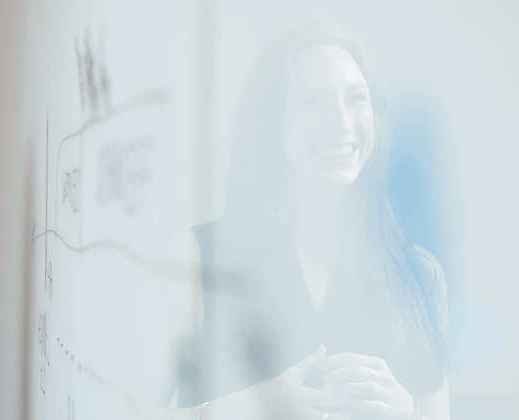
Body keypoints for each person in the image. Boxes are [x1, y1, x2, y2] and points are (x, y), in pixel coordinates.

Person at [183, 23, 449, 420]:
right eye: (313, 102)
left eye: (356, 99)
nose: (341, 122)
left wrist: (409, 412)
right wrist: (234, 410)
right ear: (268, 121)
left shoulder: (420, 277)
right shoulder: (194, 261)